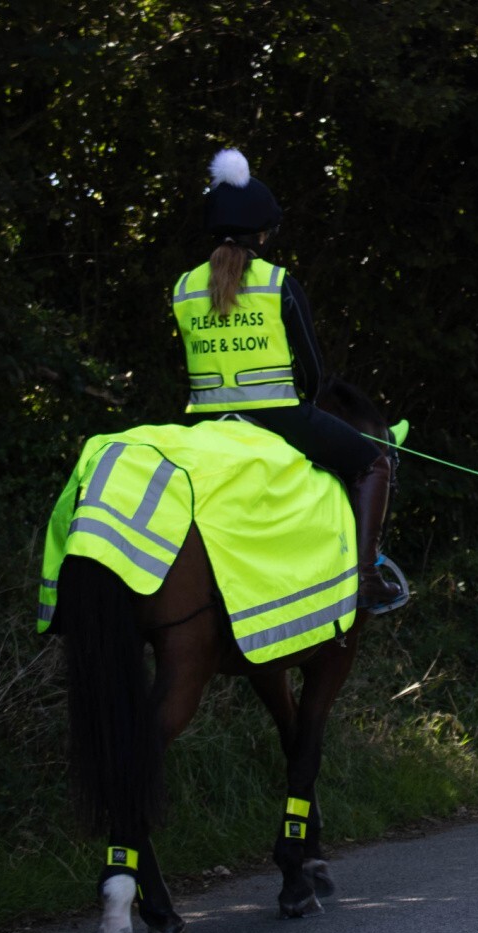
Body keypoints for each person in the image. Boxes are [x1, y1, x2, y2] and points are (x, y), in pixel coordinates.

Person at [171, 149, 402, 611]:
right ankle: (366, 577)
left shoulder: (183, 287)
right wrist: (308, 401)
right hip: (278, 416)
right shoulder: (279, 282)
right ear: (262, 233)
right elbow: (312, 370)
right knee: (374, 462)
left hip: (204, 423)